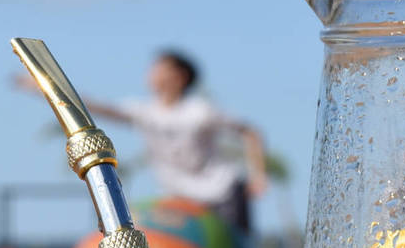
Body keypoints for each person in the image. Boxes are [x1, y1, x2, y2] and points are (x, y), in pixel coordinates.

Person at [19, 50, 268, 233]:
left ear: (179, 76)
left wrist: (258, 177)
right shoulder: (144, 112)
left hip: (222, 194)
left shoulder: (200, 111)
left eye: (160, 68)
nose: (152, 73)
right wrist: (46, 88)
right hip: (180, 200)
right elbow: (93, 106)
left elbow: (250, 132)